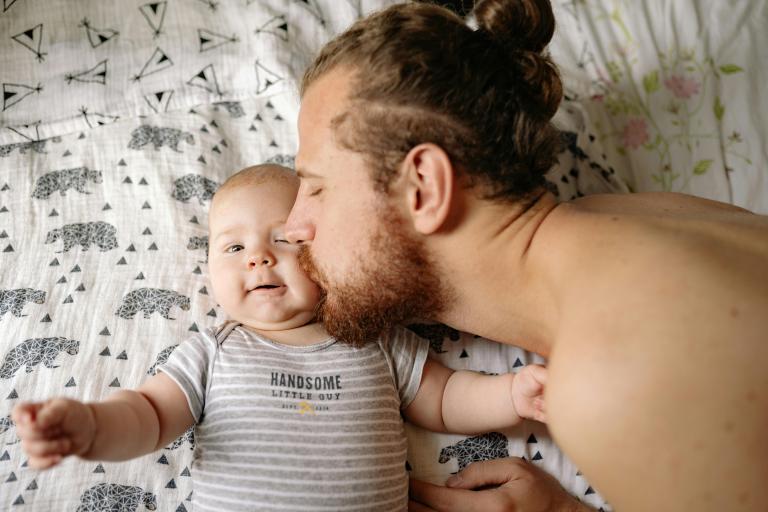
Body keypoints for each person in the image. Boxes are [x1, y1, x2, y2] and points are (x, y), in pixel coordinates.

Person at [282, 0, 768, 511]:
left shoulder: (614, 376)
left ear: (423, 186)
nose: (292, 229)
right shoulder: (642, 218)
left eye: (315, 187)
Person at [12, 164, 549, 512]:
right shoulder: (214, 350)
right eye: (232, 248)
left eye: (282, 239)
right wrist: (92, 425)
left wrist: (511, 395)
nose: (258, 257)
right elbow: (149, 416)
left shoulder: (372, 339)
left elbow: (447, 399)